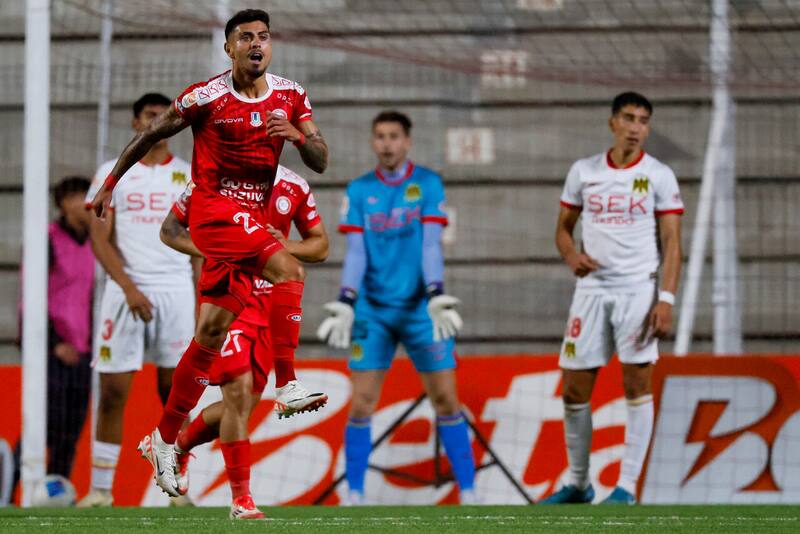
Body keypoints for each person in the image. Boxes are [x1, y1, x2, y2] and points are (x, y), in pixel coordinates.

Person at [89, 9, 328, 516]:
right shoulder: (206, 97)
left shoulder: (291, 95)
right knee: (290, 269)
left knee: (209, 336)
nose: (256, 44)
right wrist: (110, 184)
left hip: (245, 227)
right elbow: (151, 134)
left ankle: (164, 438)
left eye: (264, 37)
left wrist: (299, 136)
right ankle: (287, 384)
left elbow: (322, 158)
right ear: (230, 48)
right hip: (215, 209)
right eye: (246, 37)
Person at [317, 110, 475, 505]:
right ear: (373, 142)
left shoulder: (427, 184)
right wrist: (346, 300)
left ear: (407, 141)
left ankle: (469, 490)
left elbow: (430, 244)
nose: (386, 143)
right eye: (380, 136)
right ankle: (354, 493)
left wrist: (436, 292)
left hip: (423, 309)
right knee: (362, 402)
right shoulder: (358, 190)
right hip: (373, 311)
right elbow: (355, 251)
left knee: (446, 401)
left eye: (393, 136)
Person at [160, 165, 328, 518]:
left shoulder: (294, 185)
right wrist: (210, 247)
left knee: (244, 407)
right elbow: (170, 231)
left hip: (272, 307)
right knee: (237, 394)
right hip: (232, 299)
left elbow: (320, 245)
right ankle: (242, 499)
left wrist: (287, 244)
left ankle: (179, 446)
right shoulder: (214, 179)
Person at [543, 92, 683, 505]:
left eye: (643, 120)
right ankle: (579, 484)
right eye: (629, 118)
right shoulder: (584, 172)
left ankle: (626, 487)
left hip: (637, 290)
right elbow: (563, 229)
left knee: (637, 384)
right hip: (590, 291)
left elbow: (672, 242)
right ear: (612, 123)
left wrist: (667, 298)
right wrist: (571, 256)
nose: (636, 127)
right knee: (573, 389)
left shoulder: (659, 175)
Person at [77, 93, 197, 508]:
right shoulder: (111, 174)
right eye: (151, 117)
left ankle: (176, 486)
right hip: (125, 289)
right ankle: (100, 490)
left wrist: (203, 301)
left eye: (166, 118)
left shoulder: (190, 175)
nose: (159, 124)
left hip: (176, 289)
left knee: (175, 393)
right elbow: (99, 237)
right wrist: (128, 287)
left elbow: (198, 242)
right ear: (135, 124)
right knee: (112, 392)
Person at [14, 176, 95, 489]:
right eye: (79, 197)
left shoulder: (95, 241)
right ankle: (8, 490)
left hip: (84, 350)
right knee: (45, 426)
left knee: (70, 432)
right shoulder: (46, 238)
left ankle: (55, 497)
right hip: (51, 350)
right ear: (64, 204)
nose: (86, 203)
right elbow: (28, 295)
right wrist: (54, 343)